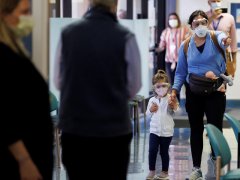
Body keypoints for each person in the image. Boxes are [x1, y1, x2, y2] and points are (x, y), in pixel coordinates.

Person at [53, 0, 141, 179]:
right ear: (115, 5)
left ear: (89, 3)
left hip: (76, 129)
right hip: (113, 131)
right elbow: (134, 87)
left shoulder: (67, 34)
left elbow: (58, 81)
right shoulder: (125, 37)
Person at [170, 10, 231, 180]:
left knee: (215, 128)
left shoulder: (215, 37)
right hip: (194, 92)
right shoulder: (186, 45)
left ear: (207, 23)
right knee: (195, 129)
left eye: (203, 22)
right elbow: (181, 73)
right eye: (196, 23)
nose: (200, 25)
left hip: (215, 91)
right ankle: (196, 167)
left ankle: (215, 160)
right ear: (191, 26)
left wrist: (225, 40)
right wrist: (174, 91)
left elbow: (222, 38)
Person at [0, 0, 54, 179]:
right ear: (5, 14)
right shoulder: (4, 56)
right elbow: (5, 115)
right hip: (20, 162)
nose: (28, 18)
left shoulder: (15, 49)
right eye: (23, 12)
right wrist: (24, 160)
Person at [146, 70, 178, 180]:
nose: (161, 89)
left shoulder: (171, 98)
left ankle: (165, 171)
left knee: (164, 151)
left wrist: (173, 106)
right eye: (158, 86)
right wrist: (150, 110)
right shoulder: (152, 100)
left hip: (167, 132)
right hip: (154, 131)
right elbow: (147, 114)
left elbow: (175, 111)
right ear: (154, 88)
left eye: (164, 86)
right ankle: (152, 171)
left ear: (168, 86)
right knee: (152, 150)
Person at [154, 12, 190, 101]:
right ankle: (175, 103)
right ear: (168, 21)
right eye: (171, 19)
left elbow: (190, 43)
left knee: (187, 82)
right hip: (170, 62)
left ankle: (190, 103)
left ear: (178, 20)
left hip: (183, 61)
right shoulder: (165, 32)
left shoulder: (184, 29)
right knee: (174, 83)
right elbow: (162, 46)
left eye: (174, 19)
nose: (172, 21)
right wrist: (155, 49)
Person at [206, 0, 237, 77]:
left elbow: (233, 41)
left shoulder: (229, 18)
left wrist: (234, 63)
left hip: (225, 55)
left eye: (218, 0)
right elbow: (199, 31)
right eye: (213, 1)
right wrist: (212, 16)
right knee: (208, 83)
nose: (216, 2)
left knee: (223, 84)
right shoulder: (203, 16)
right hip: (208, 55)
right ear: (209, 2)